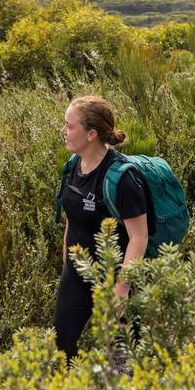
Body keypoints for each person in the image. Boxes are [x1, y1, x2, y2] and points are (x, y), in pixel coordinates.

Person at [54, 95, 148, 360]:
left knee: (129, 352)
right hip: (76, 274)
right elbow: (72, 218)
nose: (64, 131)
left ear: (92, 133)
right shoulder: (73, 166)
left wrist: (122, 289)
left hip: (115, 278)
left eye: (70, 126)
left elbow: (139, 237)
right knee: (62, 344)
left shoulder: (122, 178)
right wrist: (66, 262)